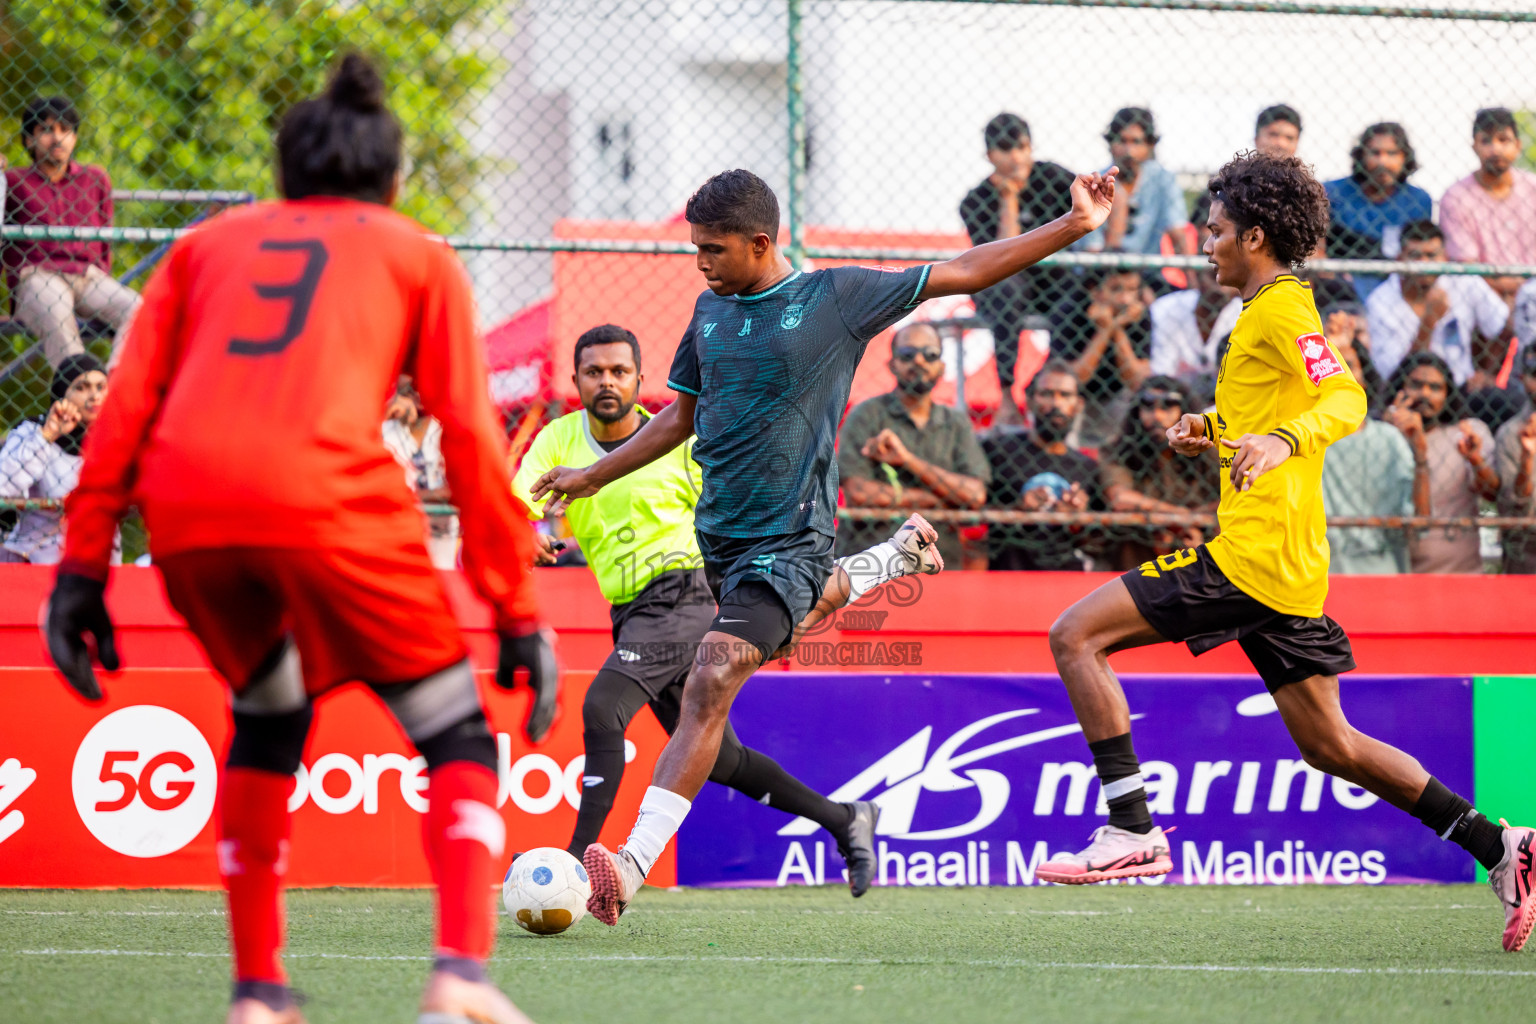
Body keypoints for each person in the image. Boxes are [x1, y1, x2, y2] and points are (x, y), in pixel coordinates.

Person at [43, 56, 557, 1024]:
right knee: (454, 728)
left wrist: (82, 567)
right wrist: (516, 610)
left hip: (190, 514)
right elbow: (470, 436)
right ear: (393, 181)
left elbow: (125, 412)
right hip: (332, 504)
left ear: (283, 176)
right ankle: (459, 974)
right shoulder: (417, 254)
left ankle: (258, 992)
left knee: (269, 717)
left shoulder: (201, 249)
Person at [530, 164, 1119, 925]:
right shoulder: (710, 313)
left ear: (759, 242)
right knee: (780, 632)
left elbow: (964, 271)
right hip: (724, 543)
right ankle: (892, 560)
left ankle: (630, 866)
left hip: (794, 533)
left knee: (712, 675)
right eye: (695, 248)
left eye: (712, 249)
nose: (699, 263)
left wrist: (1073, 225)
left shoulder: (834, 299)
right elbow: (679, 418)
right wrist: (592, 475)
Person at [1040, 152, 1533, 955]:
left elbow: (1346, 397)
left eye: (1217, 231)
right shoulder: (1260, 313)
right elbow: (1266, 415)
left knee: (1074, 635)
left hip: (1254, 559)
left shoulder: (1281, 308)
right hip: (1285, 567)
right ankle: (1501, 846)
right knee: (1331, 746)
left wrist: (1281, 438)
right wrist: (1213, 429)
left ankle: (1130, 827)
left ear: (1255, 237)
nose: (1206, 244)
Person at [513, 323, 940, 885]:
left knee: (602, 707)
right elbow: (516, 503)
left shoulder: (671, 443)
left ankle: (574, 864)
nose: (607, 381)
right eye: (594, 372)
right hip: (631, 613)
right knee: (718, 758)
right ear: (575, 380)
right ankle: (845, 818)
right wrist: (521, 534)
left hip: (685, 595)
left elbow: (731, 508)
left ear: (640, 379)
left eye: (619, 371)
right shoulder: (557, 439)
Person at [837, 322, 991, 568]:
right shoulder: (865, 415)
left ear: (942, 367)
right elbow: (859, 493)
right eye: (907, 354)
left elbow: (974, 494)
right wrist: (932, 499)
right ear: (892, 364)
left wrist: (907, 460)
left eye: (930, 354)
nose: (918, 361)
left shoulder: (955, 422)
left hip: (938, 561)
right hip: (870, 560)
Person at [3, 96, 141, 367]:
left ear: (75, 138)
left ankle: (114, 383)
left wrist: (101, 273)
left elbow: (105, 238)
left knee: (137, 308)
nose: (57, 138)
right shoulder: (14, 181)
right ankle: (75, 387)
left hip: (87, 276)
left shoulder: (95, 179)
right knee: (57, 313)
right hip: (37, 276)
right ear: (29, 140)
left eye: (65, 130)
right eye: (45, 130)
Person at [959, 113, 1077, 426]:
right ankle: (1007, 394)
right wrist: (1008, 199)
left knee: (1078, 290)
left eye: (1022, 147)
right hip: (1002, 284)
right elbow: (1002, 257)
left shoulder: (1053, 178)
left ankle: (1045, 384)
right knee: (1006, 289)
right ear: (989, 155)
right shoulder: (976, 201)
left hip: (1050, 281)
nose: (1015, 157)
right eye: (1005, 149)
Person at [1382, 352, 1499, 574]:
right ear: (1400, 388)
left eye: (1435, 388)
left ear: (1448, 394)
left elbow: (1492, 493)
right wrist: (1389, 434)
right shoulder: (1383, 435)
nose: (1424, 394)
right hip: (1395, 569)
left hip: (1460, 571)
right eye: (1416, 385)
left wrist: (1476, 460)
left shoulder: (1466, 433)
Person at [981, 360, 1102, 571]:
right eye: (1046, 394)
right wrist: (1018, 510)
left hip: (1066, 575)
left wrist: (1077, 521)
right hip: (1008, 573)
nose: (1056, 403)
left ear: (1079, 405)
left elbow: (1097, 544)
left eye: (1065, 395)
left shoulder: (1088, 468)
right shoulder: (998, 451)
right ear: (1030, 401)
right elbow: (971, 514)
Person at [1364, 220, 1511, 387]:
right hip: (1413, 387)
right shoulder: (1380, 302)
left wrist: (1489, 373)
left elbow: (1504, 326)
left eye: (1432, 255)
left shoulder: (1464, 281)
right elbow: (1393, 376)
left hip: (1462, 386)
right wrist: (1429, 322)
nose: (1424, 264)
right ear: (1399, 259)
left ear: (1445, 257)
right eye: (1415, 256)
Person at [0, 353, 113, 564]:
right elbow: (2, 484)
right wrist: (48, 435)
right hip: (35, 560)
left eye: (101, 387)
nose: (95, 396)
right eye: (81, 388)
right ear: (62, 394)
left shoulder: (115, 439)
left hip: (96, 562)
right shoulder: (33, 431)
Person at [1098, 375, 1218, 571]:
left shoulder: (1206, 449)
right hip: (1139, 549)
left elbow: (1232, 495)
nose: (1157, 416)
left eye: (1167, 407)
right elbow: (1120, 499)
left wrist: (1191, 521)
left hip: (1200, 540)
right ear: (1137, 412)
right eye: (1148, 406)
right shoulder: (1118, 450)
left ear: (1184, 412)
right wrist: (1178, 516)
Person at [1321, 385, 1426, 575]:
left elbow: (1417, 515)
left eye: (1349, 367)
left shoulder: (1389, 438)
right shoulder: (1311, 438)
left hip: (1382, 561)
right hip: (1328, 561)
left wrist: (1420, 453)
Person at [1148, 195, 1242, 403]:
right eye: (1206, 256)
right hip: (1174, 409)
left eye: (1227, 256)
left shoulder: (1250, 313)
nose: (1214, 264)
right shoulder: (1166, 308)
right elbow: (1161, 380)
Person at [1439, 108, 1536, 306]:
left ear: (1517, 145)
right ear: (1474, 147)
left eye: (1503, 140)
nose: (1495, 149)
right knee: (1463, 284)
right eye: (1486, 141)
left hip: (1533, 287)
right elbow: (1467, 268)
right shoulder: (1456, 197)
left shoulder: (1533, 188)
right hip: (1483, 296)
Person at [1325, 123, 1432, 300]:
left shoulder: (1418, 201)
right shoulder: (1332, 194)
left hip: (1398, 285)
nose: (1383, 162)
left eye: (1392, 153)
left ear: (1405, 157)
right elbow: (1317, 252)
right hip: (1341, 285)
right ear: (1361, 156)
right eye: (1375, 153)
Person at [1048, 268, 1152, 446]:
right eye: (1116, 289)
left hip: (1115, 395)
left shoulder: (1139, 315)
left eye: (1132, 289)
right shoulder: (1069, 311)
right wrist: (1104, 331)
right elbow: (1075, 378)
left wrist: (1116, 328)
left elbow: (1136, 381)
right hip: (1069, 395)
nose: (1125, 299)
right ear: (1094, 290)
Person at [1079, 107, 1191, 257]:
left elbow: (1177, 232)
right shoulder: (1096, 183)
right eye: (1122, 141)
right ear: (1111, 144)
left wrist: (1190, 270)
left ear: (1149, 145)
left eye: (1136, 142)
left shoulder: (1162, 180)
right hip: (1101, 264)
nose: (1129, 151)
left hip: (1145, 267)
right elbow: (1092, 249)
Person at [382, 376, 459, 570]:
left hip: (442, 533)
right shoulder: (386, 430)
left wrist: (410, 497)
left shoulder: (448, 428)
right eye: (408, 390)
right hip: (398, 531)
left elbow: (460, 491)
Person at [1494, 344, 1536, 573]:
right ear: (1522, 378)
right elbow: (1516, 511)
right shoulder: (1509, 434)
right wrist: (1527, 458)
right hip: (1528, 554)